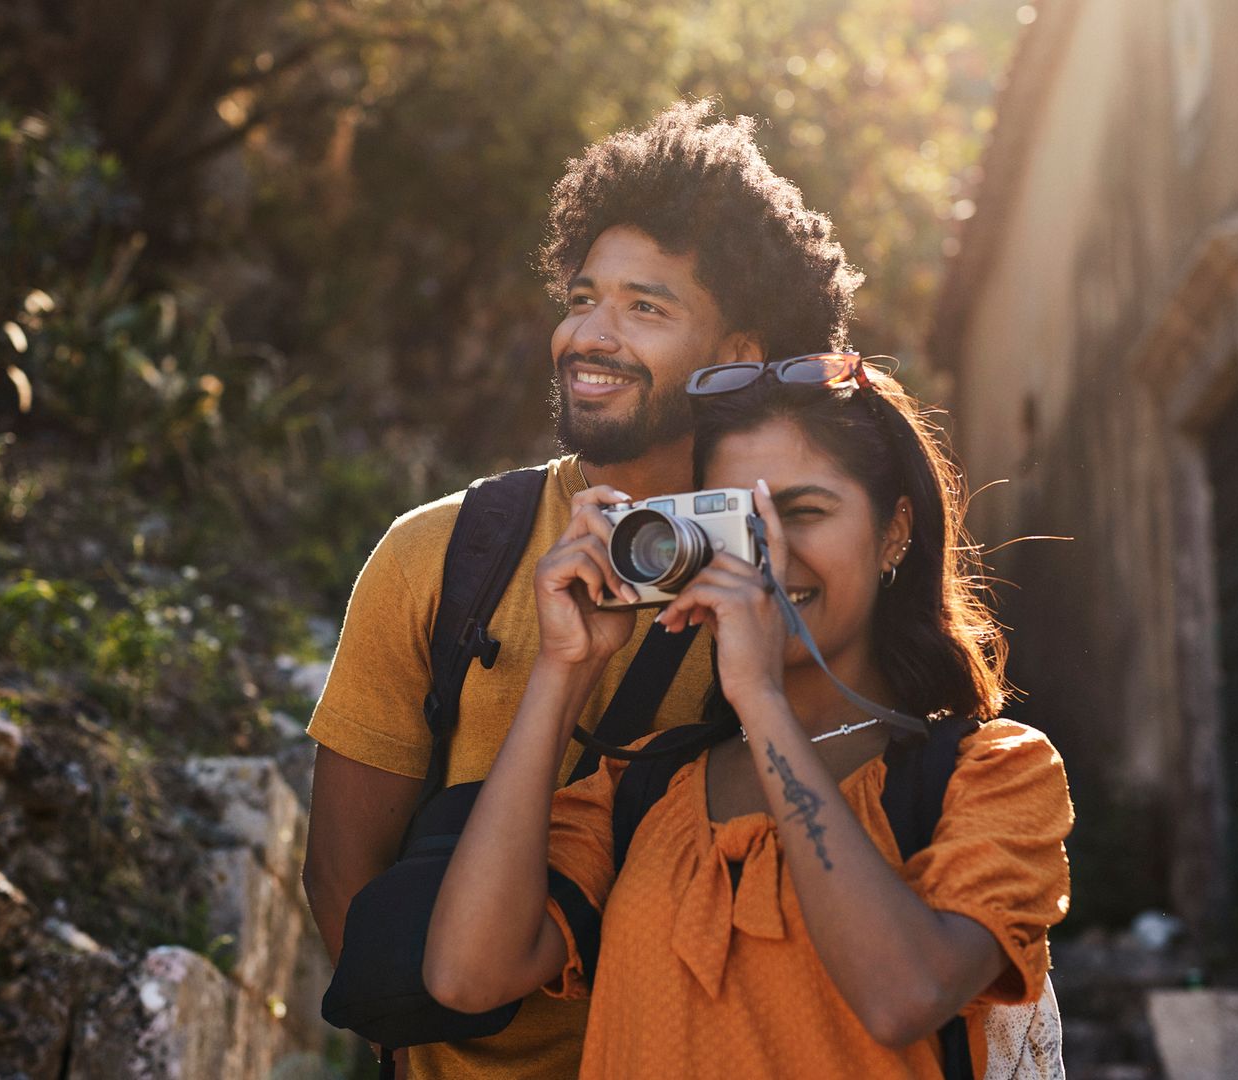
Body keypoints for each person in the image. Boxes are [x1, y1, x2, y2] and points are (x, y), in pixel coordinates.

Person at [302, 100, 863, 1079]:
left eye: (645, 307)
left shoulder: (800, 579)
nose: (589, 337)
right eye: (580, 298)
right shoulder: (434, 556)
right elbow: (342, 878)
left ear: (736, 356)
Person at [422, 355, 1074, 1078]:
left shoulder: (993, 773)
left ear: (895, 531)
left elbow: (904, 997)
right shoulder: (643, 788)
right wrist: (563, 667)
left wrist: (760, 699)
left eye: (802, 513)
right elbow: (466, 975)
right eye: (740, 524)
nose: (768, 558)